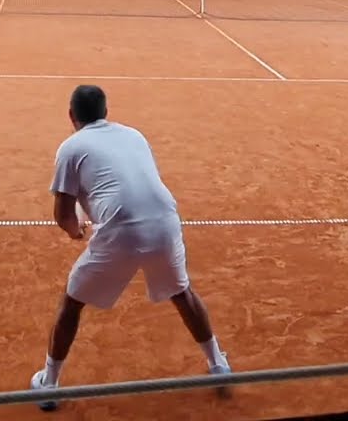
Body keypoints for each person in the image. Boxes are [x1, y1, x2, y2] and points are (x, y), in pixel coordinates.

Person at [30, 85, 230, 411]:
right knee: (182, 292)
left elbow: (64, 215)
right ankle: (218, 364)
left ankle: (48, 385)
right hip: (165, 221)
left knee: (71, 303)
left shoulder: (70, 148)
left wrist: (75, 231)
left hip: (120, 232)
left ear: (71, 116)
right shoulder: (135, 136)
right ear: (106, 112)